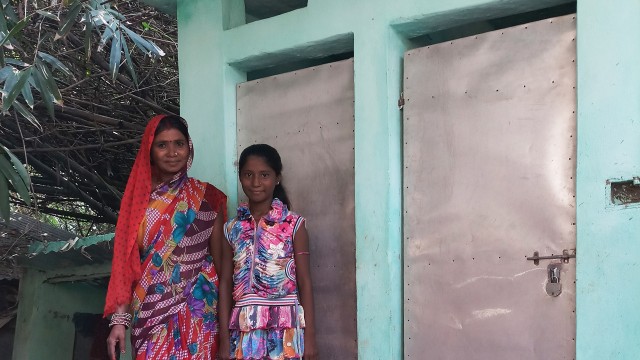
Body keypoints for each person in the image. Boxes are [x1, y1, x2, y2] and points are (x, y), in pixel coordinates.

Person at [104, 114, 227, 360]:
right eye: (162, 145)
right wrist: (119, 321)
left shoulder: (208, 197)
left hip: (199, 309)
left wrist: (227, 332)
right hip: (150, 312)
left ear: (188, 147)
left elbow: (222, 266)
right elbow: (124, 264)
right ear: (150, 151)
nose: (172, 152)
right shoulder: (137, 202)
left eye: (179, 144)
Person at [218, 144, 318, 360]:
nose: (255, 183)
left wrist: (310, 338)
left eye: (264, 175)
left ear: (277, 177)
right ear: (240, 177)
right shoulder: (231, 228)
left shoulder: (294, 224)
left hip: (286, 328)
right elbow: (225, 283)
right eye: (248, 175)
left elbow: (305, 282)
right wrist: (224, 340)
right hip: (244, 329)